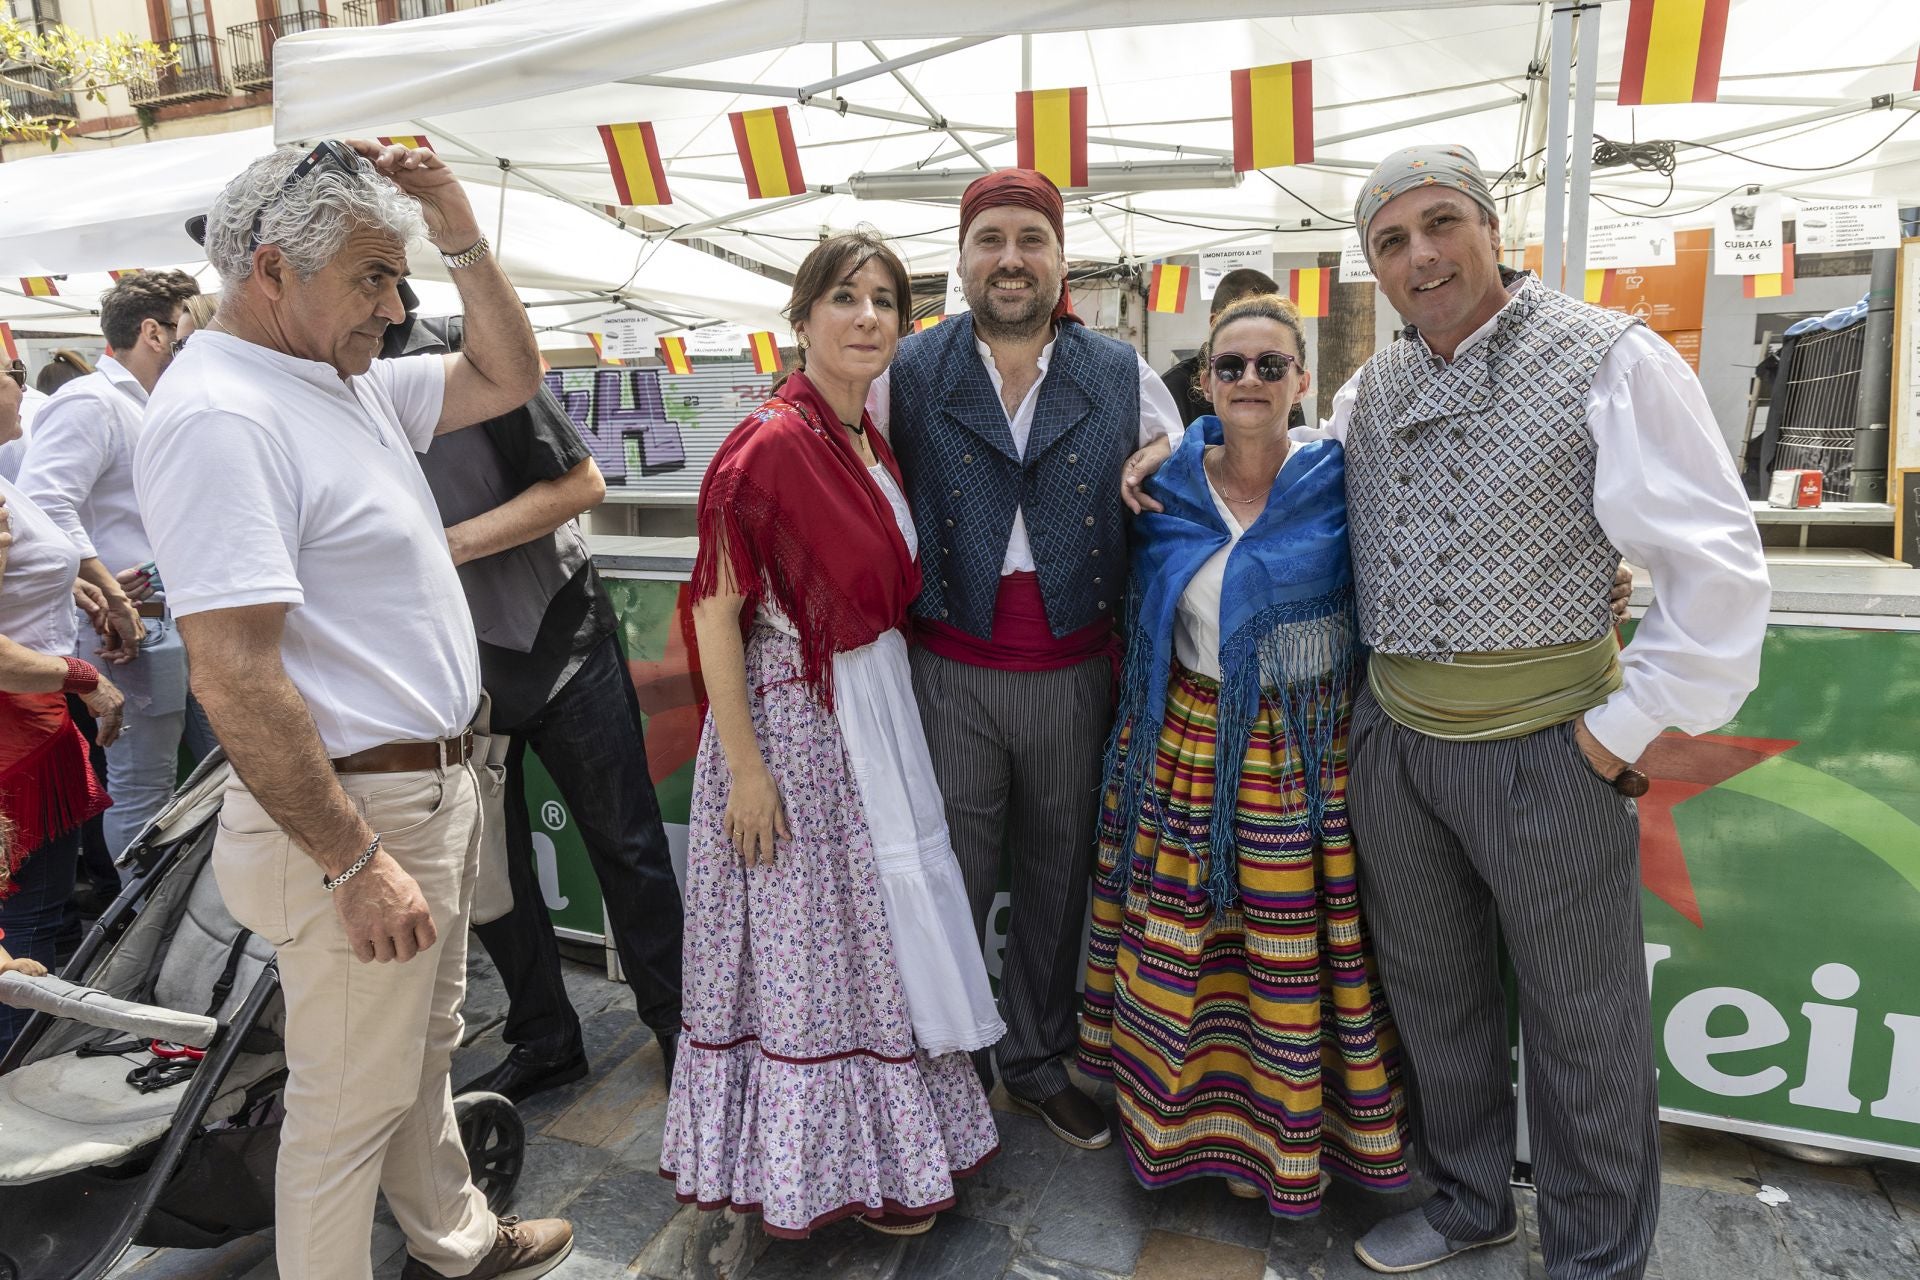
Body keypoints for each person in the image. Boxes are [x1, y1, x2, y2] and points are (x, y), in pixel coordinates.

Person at [1325, 147, 1768, 1278]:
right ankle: (1470, 1200)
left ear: (1493, 226)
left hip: (1548, 749)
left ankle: (1596, 1258)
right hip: (1397, 744)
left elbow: (1717, 574)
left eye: (1442, 223)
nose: (1421, 255)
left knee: (1584, 1022)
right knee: (1435, 999)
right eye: (1391, 241)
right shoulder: (1369, 389)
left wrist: (1615, 734)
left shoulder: (1609, 355)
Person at [134, 140, 572, 1280]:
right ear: (274, 269)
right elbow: (234, 674)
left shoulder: (338, 376)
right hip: (359, 812)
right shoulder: (224, 413)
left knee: (413, 1052)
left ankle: (455, 1238)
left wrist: (456, 225)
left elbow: (510, 373)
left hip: (419, 790)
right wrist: (353, 860)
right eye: (374, 276)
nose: (396, 305)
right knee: (344, 1106)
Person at [664, 230, 1003, 1240]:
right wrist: (746, 769)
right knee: (814, 953)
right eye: (845, 298)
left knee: (871, 940)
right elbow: (715, 610)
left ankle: (891, 1152)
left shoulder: (863, 435)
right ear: (803, 316)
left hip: (869, 712)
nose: (867, 317)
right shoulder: (768, 444)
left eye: (885, 300)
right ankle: (821, 1171)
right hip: (796, 726)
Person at [1079, 293, 1410, 1217]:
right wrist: (1154, 450)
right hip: (1183, 747)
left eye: (1272, 365)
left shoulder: (1339, 479)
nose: (1252, 380)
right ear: (1205, 382)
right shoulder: (1169, 487)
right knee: (1181, 947)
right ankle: (1183, 1130)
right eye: (1232, 366)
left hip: (1304, 756)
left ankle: (1284, 1140)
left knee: (1291, 956)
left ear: (1302, 381)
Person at [871, 169, 1181, 1150]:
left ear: (1060, 258)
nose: (1011, 259)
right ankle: (950, 1067)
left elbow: (1190, 466)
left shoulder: (1120, 372)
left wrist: (1167, 459)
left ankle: (1039, 1060)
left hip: (1075, 673)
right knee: (950, 876)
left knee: (1057, 873)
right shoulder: (905, 369)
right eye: (991, 240)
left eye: (1031, 239)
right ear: (962, 259)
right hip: (946, 671)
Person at [384, 301, 686, 1101]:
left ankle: (681, 1027)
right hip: (445, 674)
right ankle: (545, 1036)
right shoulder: (320, 381)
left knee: (626, 845)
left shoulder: (463, 347)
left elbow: (581, 483)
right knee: (492, 871)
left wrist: (445, 547)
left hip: (559, 641)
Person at [19, 270, 201, 874]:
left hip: (170, 615)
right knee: (144, 783)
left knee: (202, 774)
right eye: (186, 330)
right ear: (154, 332)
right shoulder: (91, 401)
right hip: (131, 621)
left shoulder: (149, 402)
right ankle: (134, 916)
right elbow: (45, 504)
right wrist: (110, 594)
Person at [0, 370, 122, 1055]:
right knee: (26, 932)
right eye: (8, 375)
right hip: (17, 741)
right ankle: (18, 1084)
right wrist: (85, 677)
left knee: (34, 919)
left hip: (31, 730)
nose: (20, 387)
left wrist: (61, 582)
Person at [1158, 267, 1281, 427]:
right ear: (1206, 384)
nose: (1250, 380)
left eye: (1274, 320)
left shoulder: (1281, 379)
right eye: (1249, 318)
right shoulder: (1172, 390)